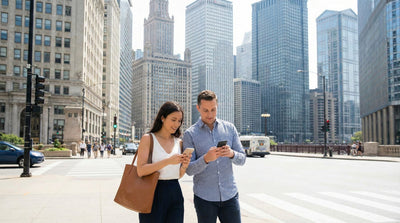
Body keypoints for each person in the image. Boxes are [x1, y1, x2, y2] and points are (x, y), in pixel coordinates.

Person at [183, 90, 246, 223]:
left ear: (217, 106)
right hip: (204, 199)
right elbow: (188, 170)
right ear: (198, 108)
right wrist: (206, 159)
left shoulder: (230, 128)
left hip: (230, 196)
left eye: (213, 109)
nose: (210, 114)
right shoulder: (190, 134)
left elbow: (242, 159)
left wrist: (232, 154)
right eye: (205, 110)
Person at [136, 101, 191, 223]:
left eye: (180, 121)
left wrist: (184, 167)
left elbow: (178, 175)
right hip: (153, 192)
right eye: (173, 119)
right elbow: (140, 170)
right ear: (162, 118)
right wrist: (168, 161)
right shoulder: (148, 138)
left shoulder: (179, 142)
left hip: (175, 191)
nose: (177, 124)